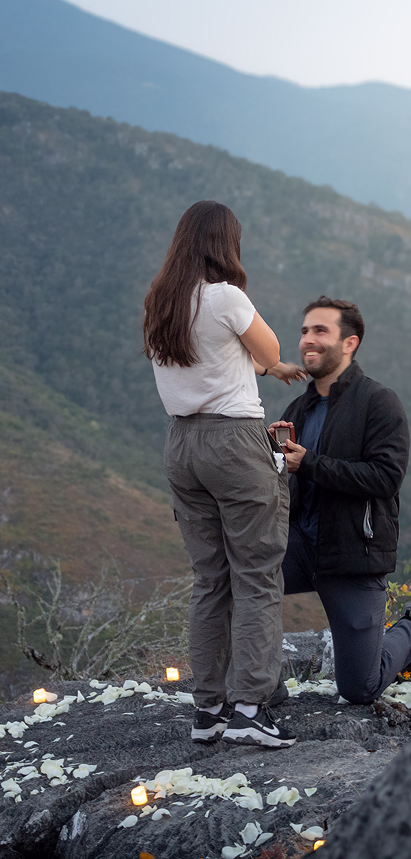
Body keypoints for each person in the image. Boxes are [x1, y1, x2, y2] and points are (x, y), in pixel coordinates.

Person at [143, 200, 299, 748]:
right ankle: (250, 709)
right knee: (256, 574)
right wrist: (272, 363)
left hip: (182, 444)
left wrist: (266, 369)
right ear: (224, 244)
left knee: (210, 578)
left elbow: (216, 360)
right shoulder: (225, 296)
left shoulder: (162, 301)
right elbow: (269, 348)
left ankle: (208, 708)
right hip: (233, 443)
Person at [269, 296, 411, 705]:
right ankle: (262, 687)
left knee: (359, 688)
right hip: (299, 547)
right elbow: (289, 481)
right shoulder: (299, 408)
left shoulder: (378, 401)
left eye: (320, 331)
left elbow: (386, 478)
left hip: (353, 555)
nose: (308, 339)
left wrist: (309, 463)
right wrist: (272, 456)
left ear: (349, 343)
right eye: (304, 331)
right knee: (238, 583)